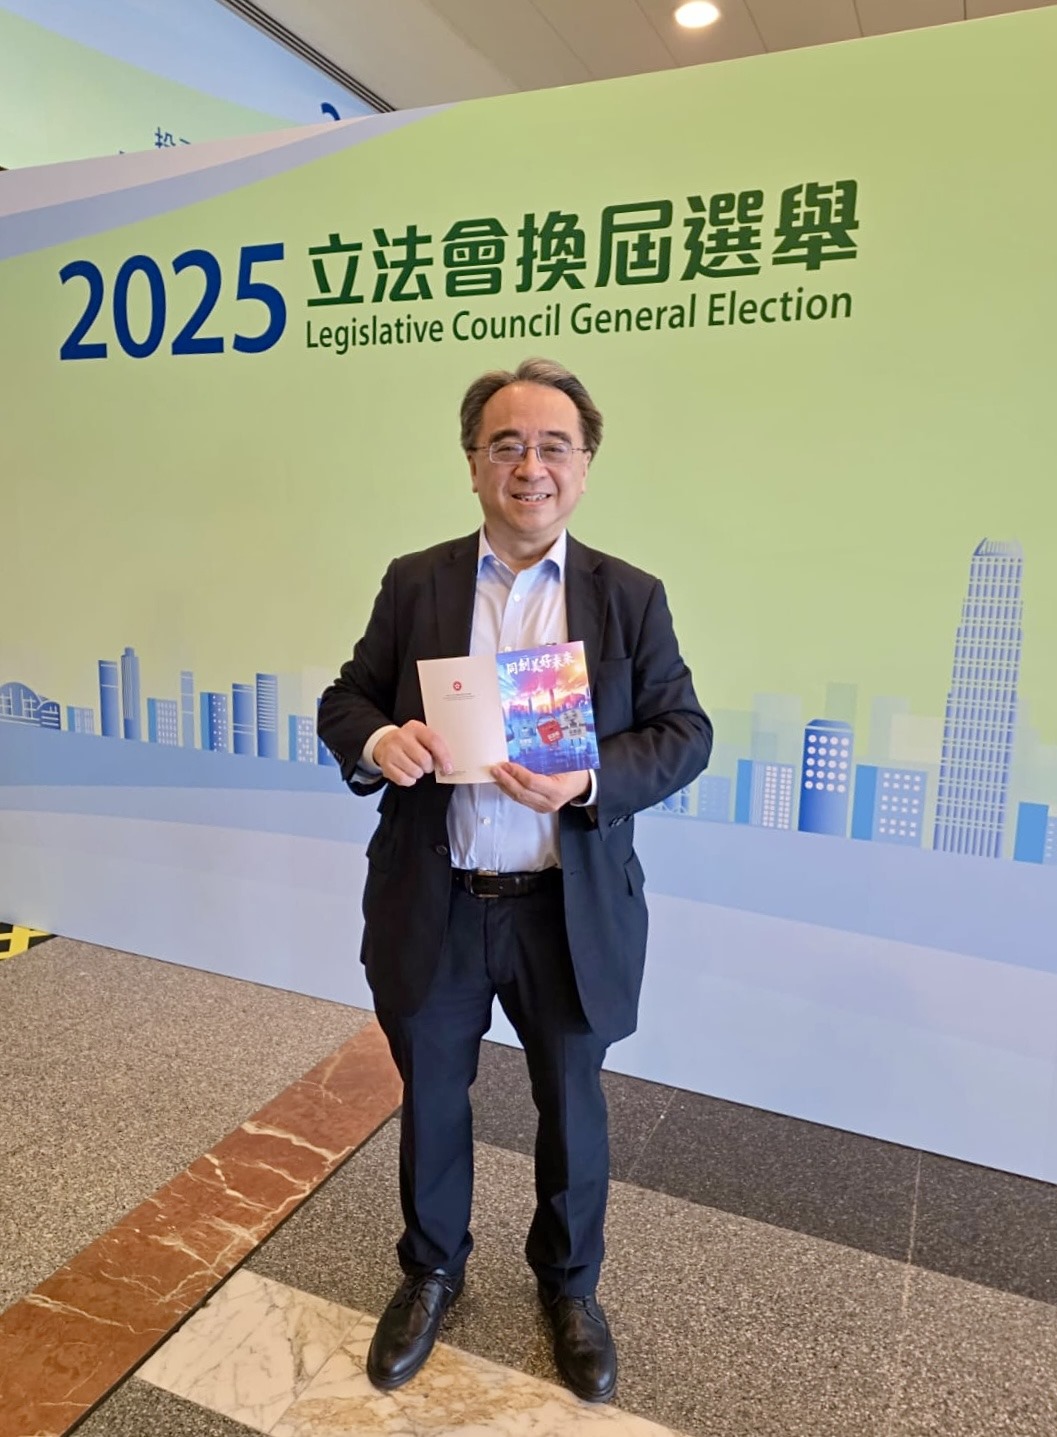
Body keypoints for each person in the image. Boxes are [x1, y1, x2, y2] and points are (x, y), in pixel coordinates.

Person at [318, 357, 712, 1403]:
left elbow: (685, 732)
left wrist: (590, 777)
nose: (529, 465)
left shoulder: (628, 596)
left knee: (571, 1104)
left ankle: (569, 1287)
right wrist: (381, 742)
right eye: (506, 445)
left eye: (552, 446)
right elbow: (346, 700)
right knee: (431, 1097)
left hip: (564, 910)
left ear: (582, 466)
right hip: (438, 898)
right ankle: (430, 1271)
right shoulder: (418, 582)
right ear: (473, 463)